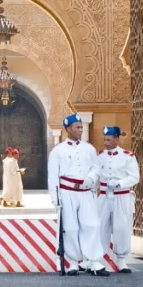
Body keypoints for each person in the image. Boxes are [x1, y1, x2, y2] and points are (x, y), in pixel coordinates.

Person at [48, 114, 108, 276]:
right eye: (77, 127)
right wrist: (55, 198)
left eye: (81, 127)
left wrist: (89, 179)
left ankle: (93, 261)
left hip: (85, 192)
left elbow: (96, 168)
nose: (80, 130)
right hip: (67, 193)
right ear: (68, 129)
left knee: (92, 224)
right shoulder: (58, 151)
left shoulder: (89, 149)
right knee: (70, 227)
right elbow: (53, 177)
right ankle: (73, 262)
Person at [96, 127, 139, 273]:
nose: (106, 143)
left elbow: (134, 177)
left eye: (109, 140)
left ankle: (122, 261)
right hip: (103, 196)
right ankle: (98, 260)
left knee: (121, 228)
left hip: (121, 195)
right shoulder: (99, 156)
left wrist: (119, 183)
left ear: (116, 139)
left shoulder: (128, 156)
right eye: (105, 139)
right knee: (101, 227)